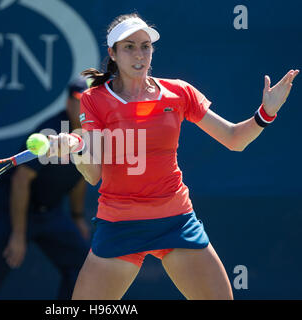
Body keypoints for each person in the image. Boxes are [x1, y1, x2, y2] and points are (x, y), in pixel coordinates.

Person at [47, 13, 299, 300]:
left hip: (175, 221)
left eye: (145, 46)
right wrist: (77, 148)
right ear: (113, 54)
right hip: (119, 224)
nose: (139, 54)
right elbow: (93, 174)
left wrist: (266, 112)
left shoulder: (179, 92)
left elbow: (234, 139)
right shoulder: (95, 99)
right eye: (129, 47)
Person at [0, 77, 90, 300]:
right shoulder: (50, 131)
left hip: (51, 212)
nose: (84, 108)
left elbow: (80, 178)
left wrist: (76, 216)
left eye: (91, 101)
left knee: (84, 267)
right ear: (69, 103)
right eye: (80, 101)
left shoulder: (95, 135)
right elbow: (20, 182)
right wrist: (18, 235)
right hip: (13, 210)